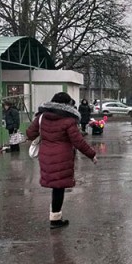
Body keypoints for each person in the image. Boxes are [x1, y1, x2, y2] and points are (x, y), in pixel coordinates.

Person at [26, 92, 97, 229]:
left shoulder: (41, 117)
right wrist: (91, 154)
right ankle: (55, 219)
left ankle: (55, 217)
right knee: (59, 188)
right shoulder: (69, 121)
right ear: (67, 104)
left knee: (55, 187)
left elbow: (30, 134)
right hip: (62, 157)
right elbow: (78, 141)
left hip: (46, 156)